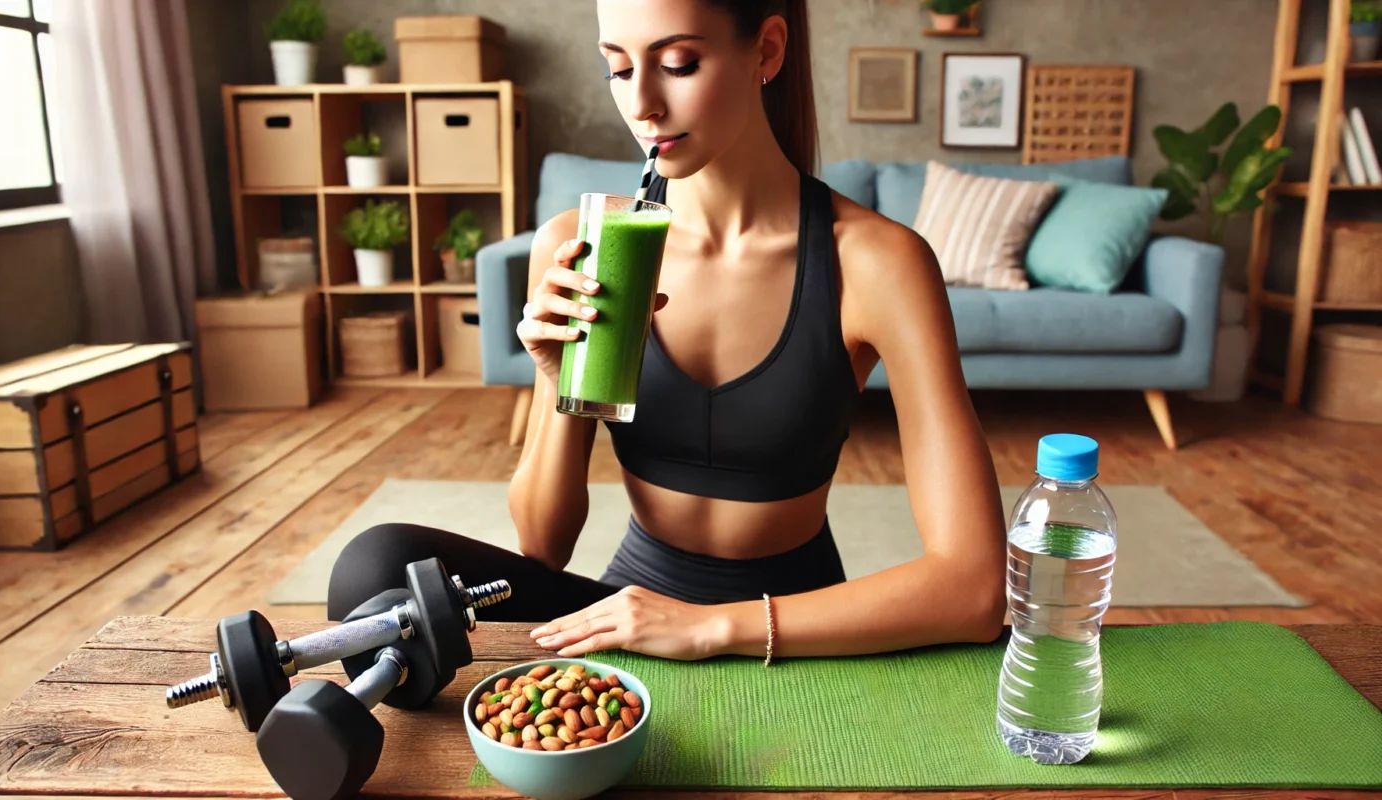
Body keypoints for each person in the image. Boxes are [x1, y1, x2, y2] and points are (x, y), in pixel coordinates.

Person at [327, 0, 1008, 665]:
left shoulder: (877, 262)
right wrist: (561, 378)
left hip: (794, 635)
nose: (641, 104)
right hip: (627, 614)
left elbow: (975, 589)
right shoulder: (584, 241)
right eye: (618, 68)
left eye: (677, 63)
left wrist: (709, 628)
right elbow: (543, 546)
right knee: (376, 570)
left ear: (766, 51)